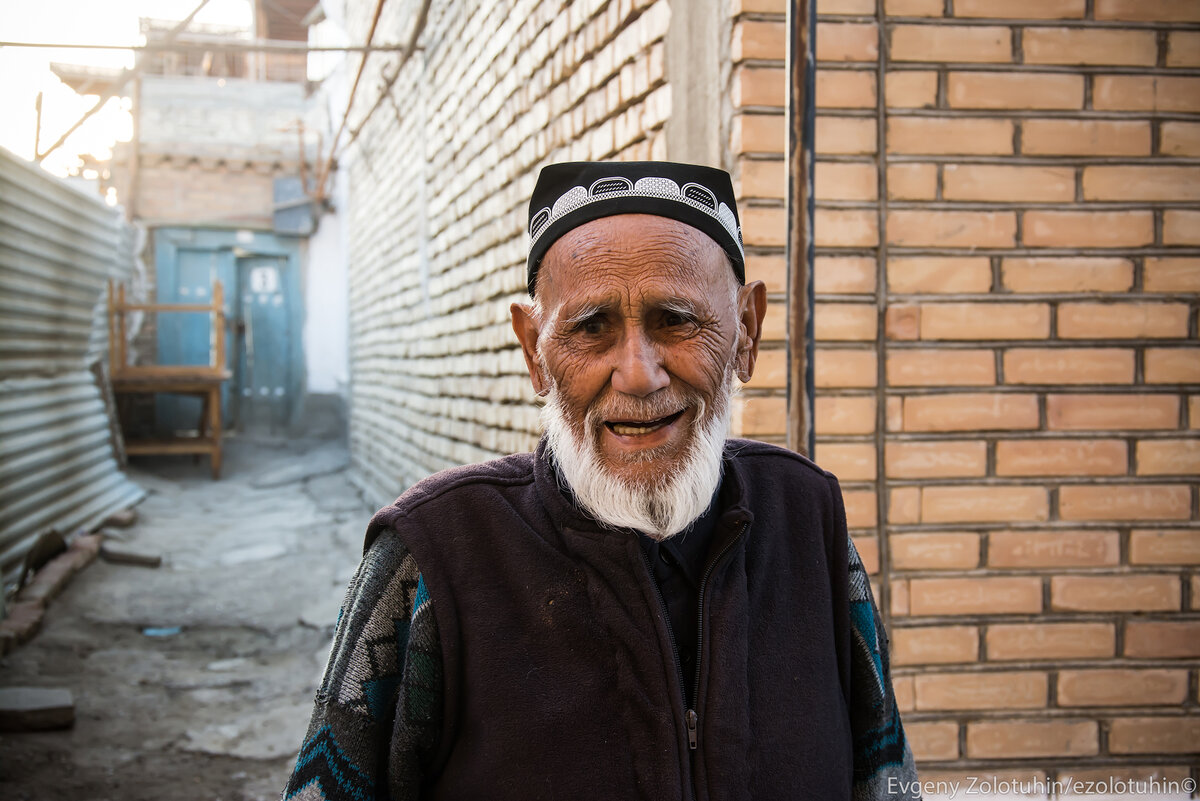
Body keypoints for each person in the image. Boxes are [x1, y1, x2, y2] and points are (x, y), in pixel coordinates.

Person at [283, 161, 919, 801]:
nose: (638, 374)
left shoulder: (807, 520)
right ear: (535, 352)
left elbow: (887, 780)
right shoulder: (434, 554)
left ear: (746, 332)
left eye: (677, 321)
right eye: (591, 328)